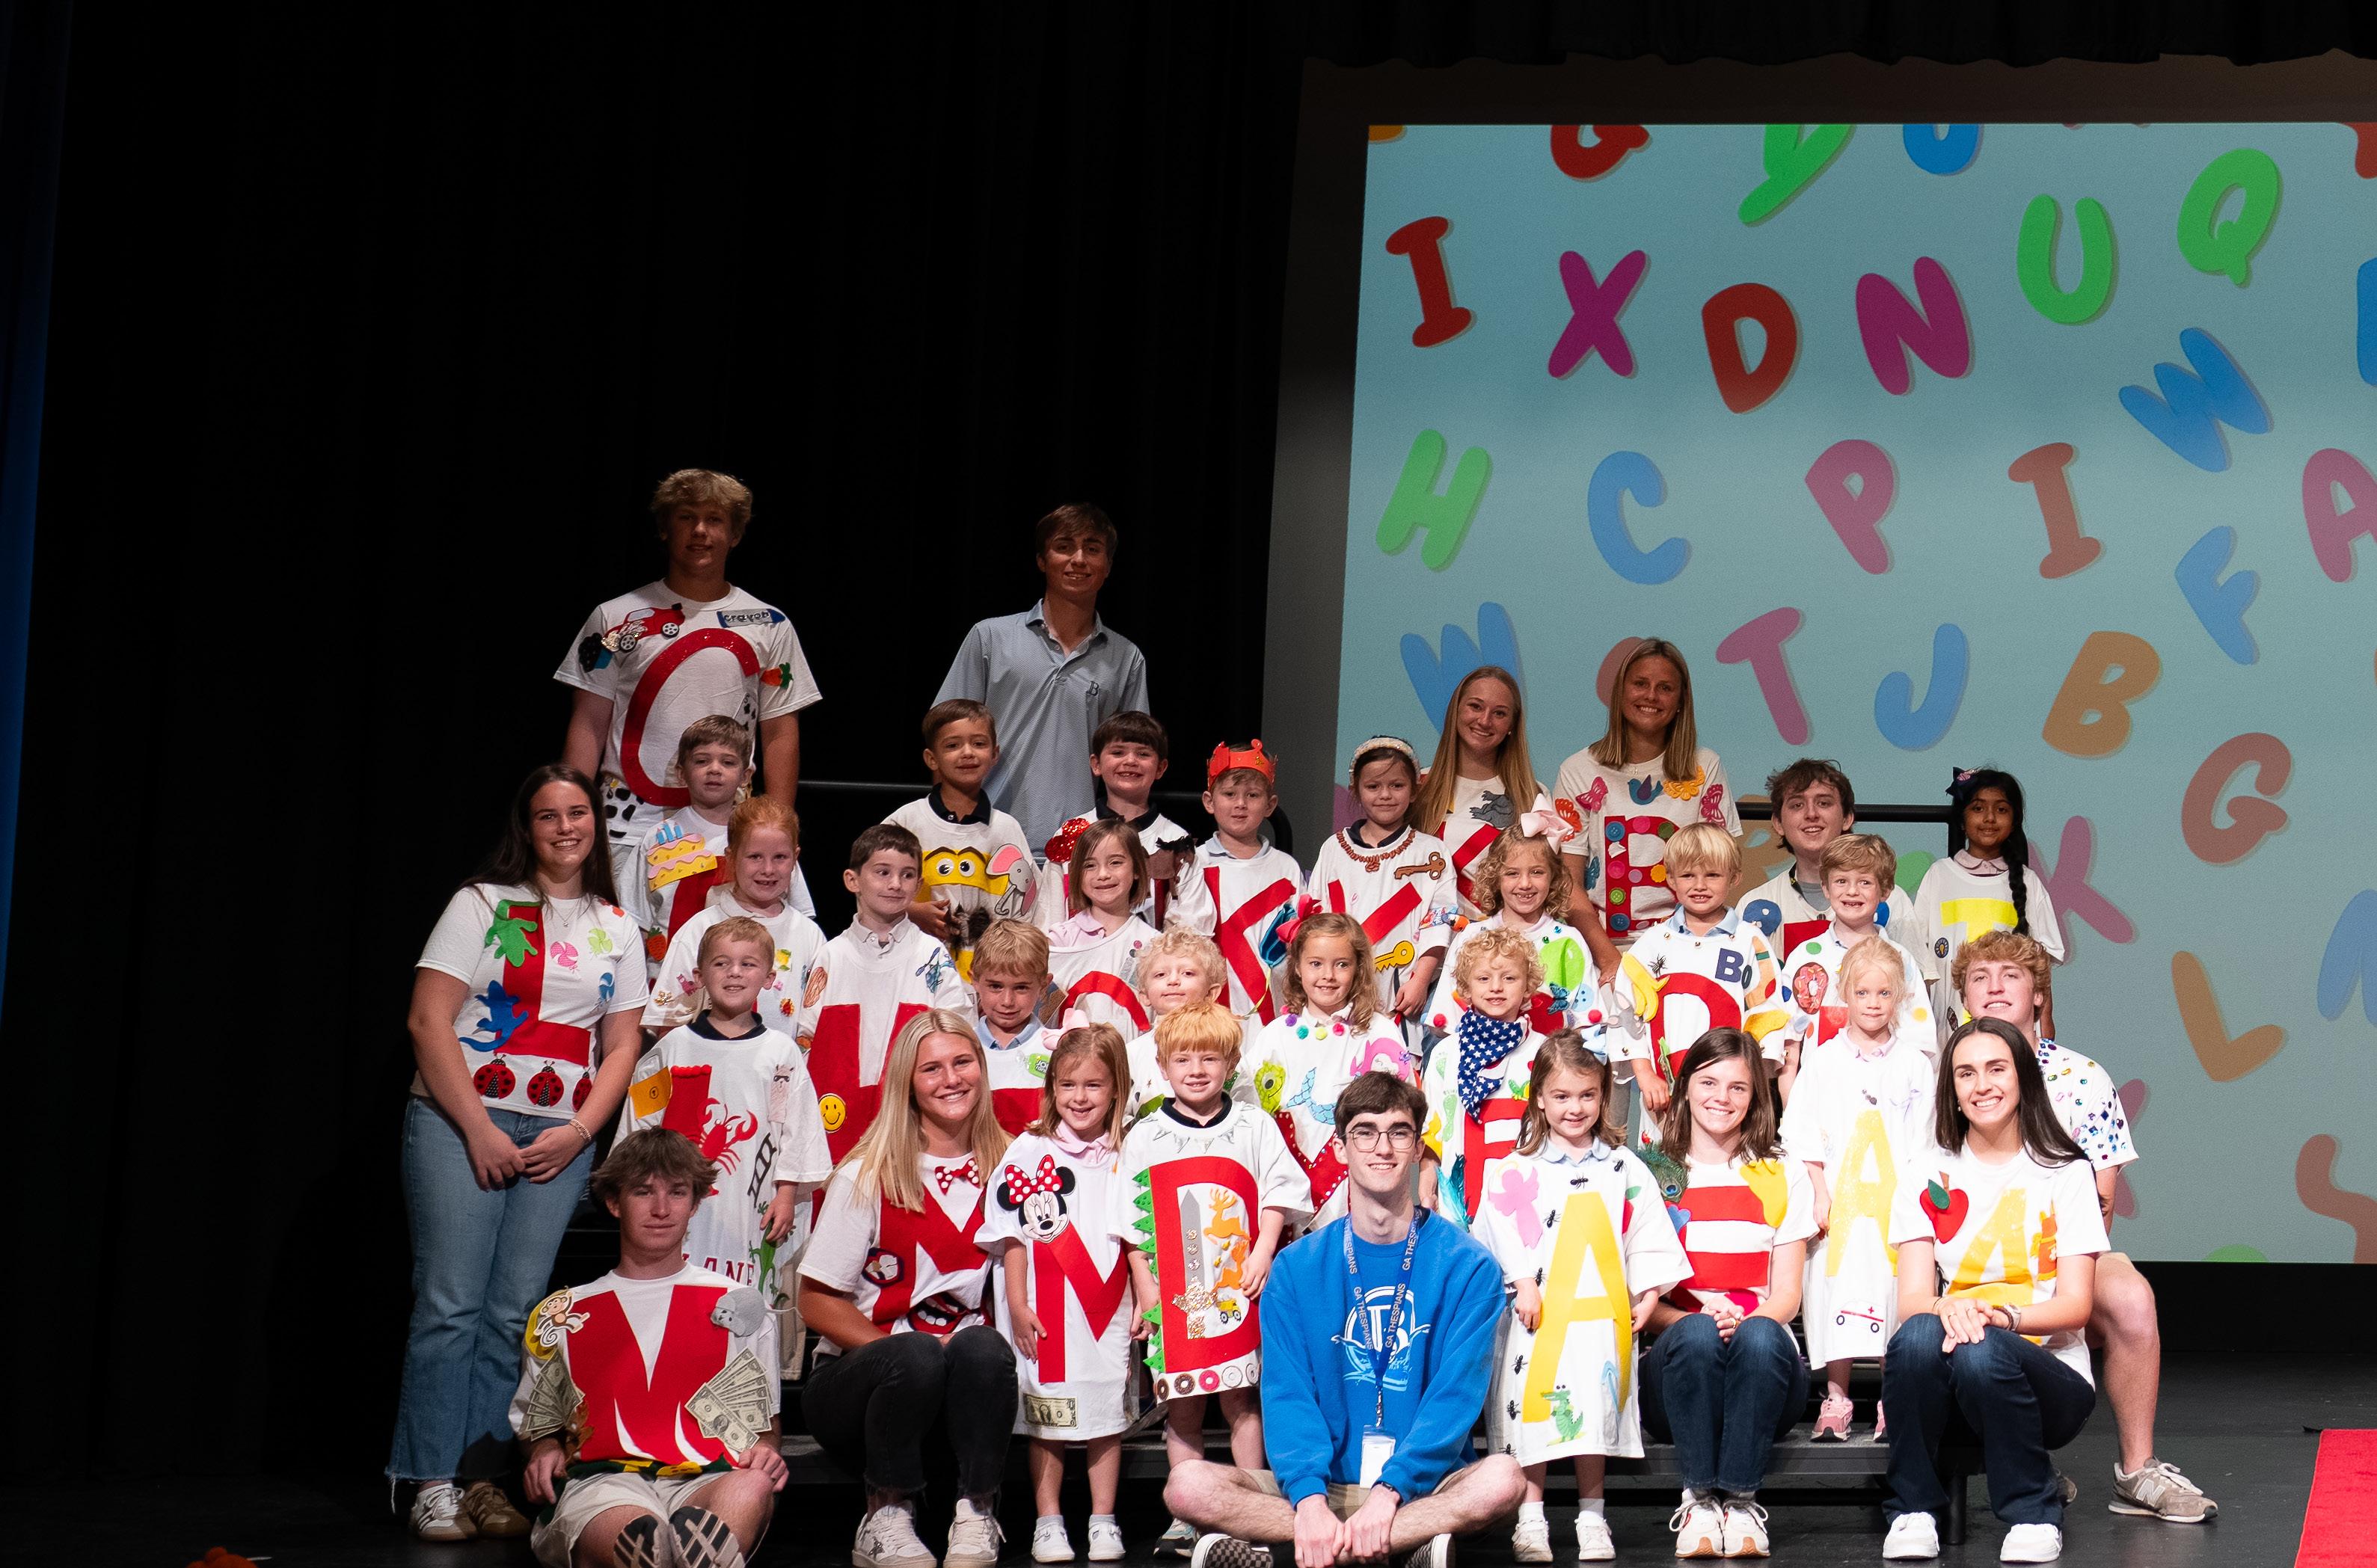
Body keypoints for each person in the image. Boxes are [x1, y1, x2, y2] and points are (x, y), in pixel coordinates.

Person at [391, 763, 649, 1544]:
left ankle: (481, 1479)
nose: (566, 827)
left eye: (578, 812)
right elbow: (428, 1021)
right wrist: (478, 1129)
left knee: (515, 1313)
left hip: (558, 1136)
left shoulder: (617, 924)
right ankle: (429, 1481)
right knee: (450, 1305)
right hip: (460, 1119)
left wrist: (580, 1132)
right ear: (527, 828)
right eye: (549, 815)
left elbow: (622, 1045)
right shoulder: (482, 904)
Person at [1162, 1073, 1527, 1568]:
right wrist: (1310, 1500)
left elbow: (1454, 1400)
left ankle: (1315, 1549)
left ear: (1418, 1148)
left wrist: (1390, 1491)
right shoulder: (1295, 1268)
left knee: (1503, 1479)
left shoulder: (1470, 1266)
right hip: (1324, 1489)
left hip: (1423, 1488)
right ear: (1341, 1147)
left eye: (1399, 1132)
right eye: (1365, 1132)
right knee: (1187, 1485)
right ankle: (1397, 1547)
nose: (1383, 1148)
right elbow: (1289, 1395)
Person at [1955, 931, 2217, 1525]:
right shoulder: (1944, 1073)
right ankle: (2019, 1462)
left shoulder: (2082, 1076)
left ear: (2038, 994)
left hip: (2065, 1254)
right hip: (1969, 1260)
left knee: (2131, 1297)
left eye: (2011, 975)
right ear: (1964, 996)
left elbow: (2102, 1201)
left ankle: (2137, 1469)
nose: (1994, 986)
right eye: (1980, 977)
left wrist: (2053, 1277)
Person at [1879, 1018, 2107, 1564]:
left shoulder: (2066, 1171)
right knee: (1916, 1335)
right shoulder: (1925, 1171)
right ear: (1952, 1089)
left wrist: (2000, 1317)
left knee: (1980, 1349)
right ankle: (1914, 1510)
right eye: (1966, 1073)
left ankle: (2033, 1513)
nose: (1982, 1085)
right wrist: (1954, 1307)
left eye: (1996, 1068)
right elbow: (1913, 1299)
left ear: (2023, 1077)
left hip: (2051, 1381)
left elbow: (2076, 1306)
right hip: (1961, 1368)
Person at [799, 1010, 1018, 1568]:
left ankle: (977, 1512)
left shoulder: (1015, 1166)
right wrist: (914, 1352)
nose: (952, 1079)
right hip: (862, 1389)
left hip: (965, 1390)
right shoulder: (868, 1172)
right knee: (917, 1354)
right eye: (932, 1068)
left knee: (984, 1346)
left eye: (963, 1062)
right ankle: (884, 1516)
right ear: (908, 1083)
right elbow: (815, 1299)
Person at [512, 1129, 788, 1568]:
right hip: (603, 1482)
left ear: (695, 1203)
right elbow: (538, 1425)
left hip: (710, 1477)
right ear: (614, 1202)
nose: (662, 1209)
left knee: (752, 1485)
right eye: (644, 1192)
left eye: (677, 1193)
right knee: (646, 1545)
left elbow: (765, 1427)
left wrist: (766, 1452)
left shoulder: (739, 1303)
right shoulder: (563, 1313)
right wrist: (543, 1448)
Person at [558, 469, 820, 900]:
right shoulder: (616, 618)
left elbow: (779, 732)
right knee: (621, 936)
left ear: (735, 534)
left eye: (715, 519)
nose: (700, 531)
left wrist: (776, 830)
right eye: (686, 517)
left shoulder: (769, 625)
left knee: (730, 939)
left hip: (729, 830)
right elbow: (588, 722)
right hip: (627, 827)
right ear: (665, 528)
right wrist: (573, 817)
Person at [1478, 1033, 1690, 1563]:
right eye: (1562, 1095)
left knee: (1592, 1411)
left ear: (1602, 1097)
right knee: (1535, 1411)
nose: (1575, 1107)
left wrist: (1649, 1292)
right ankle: (1530, 1520)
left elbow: (1646, 1230)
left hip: (1597, 1316)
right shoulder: (1514, 1169)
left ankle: (1593, 1517)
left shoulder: (1621, 1166)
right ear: (1540, 1098)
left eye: (1587, 1095)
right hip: (1538, 1318)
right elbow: (1496, 1232)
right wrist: (1522, 1280)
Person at [1115, 1000, 1311, 1557]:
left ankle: (1252, 1505)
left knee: (1241, 1400)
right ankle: (1187, 1512)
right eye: (1183, 1059)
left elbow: (1279, 1191)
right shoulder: (1146, 1135)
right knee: (1183, 1408)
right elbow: (1129, 1221)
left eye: (1209, 1058)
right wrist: (1145, 1285)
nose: (1197, 1070)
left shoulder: (1253, 1124)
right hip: (1176, 1293)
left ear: (1230, 1064)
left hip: (1238, 1287)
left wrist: (1263, 1251)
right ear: (1162, 1065)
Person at [618, 915, 832, 1363]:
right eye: (721, 963)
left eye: (748, 964)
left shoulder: (781, 1052)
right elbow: (639, 1129)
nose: (734, 973)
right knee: (679, 1308)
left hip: (755, 1208)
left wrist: (787, 1194)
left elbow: (798, 1128)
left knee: (751, 1308)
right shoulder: (672, 1048)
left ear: (769, 979)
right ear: (699, 976)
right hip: (684, 1206)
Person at [1637, 1029, 1816, 1560]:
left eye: (1738, 1087)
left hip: (1762, 1366)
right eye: (1709, 1082)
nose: (1722, 1097)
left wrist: (1743, 1325)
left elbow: (1788, 1295)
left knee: (1760, 1337)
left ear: (1755, 1095)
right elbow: (1641, 1303)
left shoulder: (1782, 1170)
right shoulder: (1649, 1172)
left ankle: (1740, 1502)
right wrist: (1697, 1324)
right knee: (1696, 1334)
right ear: (1685, 1086)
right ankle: (1697, 1501)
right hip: (1677, 1370)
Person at [979, 1024, 1139, 1565]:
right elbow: (1012, 1234)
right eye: (1068, 1084)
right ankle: (1048, 1521)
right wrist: (1018, 1303)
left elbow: (1139, 1234)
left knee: (1105, 1412)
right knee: (1047, 1417)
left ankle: (1103, 1519)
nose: (1080, 1097)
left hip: (1107, 1307)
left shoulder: (1128, 1150)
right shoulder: (1030, 1148)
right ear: (1051, 1089)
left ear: (1116, 1088)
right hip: (1045, 1308)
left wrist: (1146, 1297)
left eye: (1094, 1084)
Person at [1777, 939, 1933, 1443]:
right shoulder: (1823, 1060)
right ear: (1845, 993)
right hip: (1839, 1202)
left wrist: (1913, 1204)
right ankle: (1836, 1396)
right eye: (1862, 992)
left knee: (1893, 1292)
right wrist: (1819, 1193)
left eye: (1884, 993)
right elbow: (1801, 1130)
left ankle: (1893, 1396)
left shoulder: (1914, 1064)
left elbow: (1926, 1139)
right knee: (1836, 1288)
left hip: (1894, 1203)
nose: (1872, 1003)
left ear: (1899, 996)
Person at [935, 502, 1152, 849]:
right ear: (1041, 560)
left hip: (1080, 850)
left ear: (1108, 566)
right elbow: (944, 737)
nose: (1078, 559)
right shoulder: (990, 638)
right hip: (984, 840)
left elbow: (1134, 763)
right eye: (1064, 547)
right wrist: (947, 829)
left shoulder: (1126, 658)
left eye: (1092, 549)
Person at [1555, 639, 1740, 977]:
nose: (1651, 696)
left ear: (1681, 701)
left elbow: (1717, 871)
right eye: (1640, 684)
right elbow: (1568, 883)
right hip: (1602, 950)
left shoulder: (1704, 766)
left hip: (1688, 946)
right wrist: (1610, 960)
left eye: (1665, 688)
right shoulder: (1578, 770)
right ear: (1620, 692)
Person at [795, 824, 975, 1164]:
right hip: (838, 1118)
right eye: (883, 872)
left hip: (912, 1118)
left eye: (907, 875)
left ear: (919, 886)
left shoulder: (930, 956)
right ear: (853, 880)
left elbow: (959, 1032)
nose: (895, 884)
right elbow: (807, 1039)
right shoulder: (831, 957)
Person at [1247, 911, 1419, 1225]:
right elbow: (1250, 1109)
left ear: (1358, 969)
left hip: (1357, 1185)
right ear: (1297, 967)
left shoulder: (1378, 1032)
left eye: (1341, 964)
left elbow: (1401, 1110)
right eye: (1316, 964)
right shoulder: (1275, 1035)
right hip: (1288, 1184)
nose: (1328, 975)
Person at [1608, 824, 1787, 1119]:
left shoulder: (1749, 942)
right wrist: (1645, 1073)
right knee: (1667, 1149)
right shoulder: (1653, 943)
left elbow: (1767, 1010)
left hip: (1730, 1092)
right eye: (1688, 875)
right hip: (1665, 1092)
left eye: (1712, 875)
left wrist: (1749, 1077)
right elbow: (1627, 1011)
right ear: (1671, 878)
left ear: (1735, 877)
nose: (1699, 885)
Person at [644, 795, 826, 1039]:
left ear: (795, 858)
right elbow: (669, 1022)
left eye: (780, 857)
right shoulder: (700, 928)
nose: (768, 869)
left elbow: (816, 1024)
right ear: (731, 857)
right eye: (755, 857)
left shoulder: (808, 934)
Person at [1904, 768, 2067, 1039]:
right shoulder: (1939, 875)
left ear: (2014, 821)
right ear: (1962, 819)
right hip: (1948, 1023)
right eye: (1978, 808)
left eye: (2001, 810)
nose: (1989, 818)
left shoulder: (2028, 881)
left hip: (2013, 1025)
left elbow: (2042, 961)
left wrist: (2046, 1021)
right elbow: (1919, 956)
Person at [1422, 806, 1606, 1045]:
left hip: (1548, 1062)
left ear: (1553, 877)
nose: (1525, 884)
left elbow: (1586, 1025)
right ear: (1495, 877)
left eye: (1537, 872)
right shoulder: (1471, 938)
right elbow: (1446, 1023)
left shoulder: (1568, 942)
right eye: (1512, 874)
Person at [1302, 736, 1457, 1018]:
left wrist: (1421, 981)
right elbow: (1317, 921)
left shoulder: (1431, 852)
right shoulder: (1334, 848)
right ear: (1356, 790)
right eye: (1373, 786)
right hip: (1338, 993)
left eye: (1397, 785)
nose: (1385, 795)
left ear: (1414, 790)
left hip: (1402, 996)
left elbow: (1439, 922)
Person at [886, 698, 1039, 979]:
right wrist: (910, 910)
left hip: (986, 980)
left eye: (979, 743)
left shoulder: (1006, 829)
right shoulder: (905, 823)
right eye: (953, 745)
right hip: (913, 976)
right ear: (931, 758)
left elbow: (1025, 910)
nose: (967, 753)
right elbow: (870, 890)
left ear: (994, 754)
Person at [1772, 834, 1933, 1098]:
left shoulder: (1901, 960)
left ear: (1885, 890)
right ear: (1826, 888)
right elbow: (1789, 1041)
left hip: (1885, 1102)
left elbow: (1918, 1043)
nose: (1852, 891)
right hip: (1820, 1100)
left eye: (1865, 882)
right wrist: (1790, 1108)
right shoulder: (1805, 957)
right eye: (1841, 881)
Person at [1417, 926, 1548, 1228]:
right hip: (1460, 1205)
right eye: (1484, 978)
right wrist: (1426, 1183)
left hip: (1530, 1204)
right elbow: (1433, 1128)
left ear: (1528, 986)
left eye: (1509, 978)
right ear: (1466, 987)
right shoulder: (1445, 1054)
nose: (1496, 988)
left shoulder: (1545, 1052)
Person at [1037, 710, 1200, 926]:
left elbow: (1187, 926)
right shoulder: (1071, 834)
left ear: (1160, 768)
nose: (1131, 761)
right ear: (1096, 764)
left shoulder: (1175, 841)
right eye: (1118, 752)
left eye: (1143, 754)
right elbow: (1049, 915)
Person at [1736, 759, 1909, 960]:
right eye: (1797, 805)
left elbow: (1915, 975)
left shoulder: (1892, 900)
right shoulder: (1754, 904)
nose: (1811, 814)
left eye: (1824, 803)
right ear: (1778, 823)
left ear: (1847, 818)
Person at [1180, 740, 1303, 1025]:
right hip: (1209, 1013)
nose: (1240, 804)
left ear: (1270, 805)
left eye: (1253, 795)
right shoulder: (1195, 863)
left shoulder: (1285, 868)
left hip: (1273, 1014)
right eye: (1229, 794)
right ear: (1209, 802)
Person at [627, 714, 757, 975]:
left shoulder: (760, 837)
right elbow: (636, 919)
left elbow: (794, 912)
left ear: (745, 775)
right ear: (681, 774)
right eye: (701, 761)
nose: (714, 769)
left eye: (728, 762)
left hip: (742, 979)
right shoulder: (658, 838)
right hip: (668, 977)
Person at [1411, 665, 1545, 920]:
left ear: (1512, 725)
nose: (1484, 721)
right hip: (1425, 938)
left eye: (1499, 713)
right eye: (1475, 706)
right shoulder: (1418, 788)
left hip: (1501, 940)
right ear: (1456, 711)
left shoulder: (1532, 795)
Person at [1044, 819, 1161, 1034]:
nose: (1103, 874)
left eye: (1115, 862)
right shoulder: (1060, 940)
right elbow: (1042, 1015)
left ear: (1137, 868)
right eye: (1090, 865)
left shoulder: (1154, 944)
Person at [1124, 927, 1234, 1114]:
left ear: (1211, 993)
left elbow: (1245, 1108)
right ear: (1144, 995)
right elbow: (1121, 1117)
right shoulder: (1131, 1054)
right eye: (1161, 975)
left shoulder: (1225, 1046)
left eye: (1188, 973)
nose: (1173, 980)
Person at [974, 917, 1059, 1134]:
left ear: (1044, 985)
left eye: (1021, 988)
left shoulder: (1058, 1050)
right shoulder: (963, 1050)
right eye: (996, 986)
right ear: (974, 981)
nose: (1007, 1001)